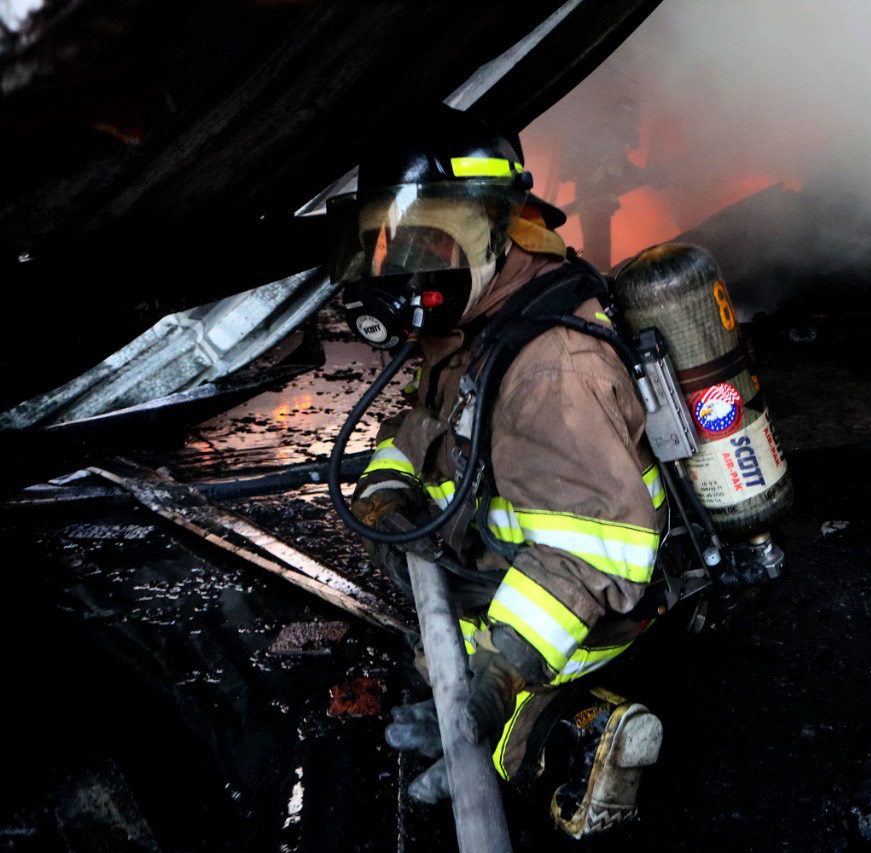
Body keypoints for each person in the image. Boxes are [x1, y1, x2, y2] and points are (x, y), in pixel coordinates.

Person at [333, 106, 666, 838]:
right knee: (435, 673)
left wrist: (495, 680)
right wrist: (387, 496)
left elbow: (592, 553)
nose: (399, 265)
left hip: (578, 617)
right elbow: (428, 429)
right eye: (388, 240)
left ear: (493, 229)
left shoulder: (552, 370)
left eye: (425, 239)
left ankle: (578, 732)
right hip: (496, 571)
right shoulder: (480, 317)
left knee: (493, 725)